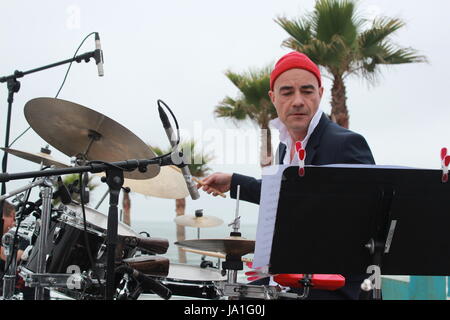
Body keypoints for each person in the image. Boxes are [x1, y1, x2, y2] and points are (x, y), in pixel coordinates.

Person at [199, 51, 375, 300]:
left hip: (332, 287)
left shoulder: (345, 144)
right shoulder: (284, 146)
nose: (298, 101)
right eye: (287, 92)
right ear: (273, 98)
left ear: (320, 94)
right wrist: (234, 181)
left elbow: (367, 224)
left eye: (307, 91)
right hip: (290, 278)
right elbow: (288, 195)